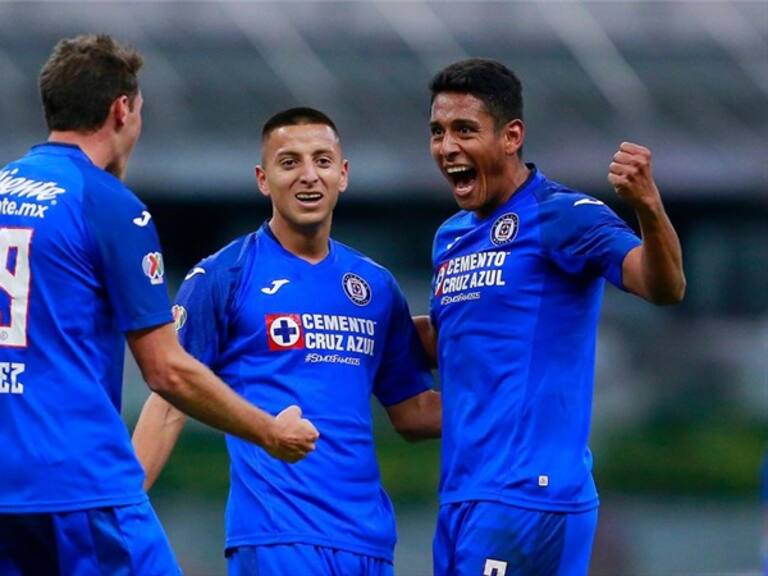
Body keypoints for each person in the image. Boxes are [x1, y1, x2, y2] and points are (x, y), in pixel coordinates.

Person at [0, 35, 318, 575]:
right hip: (79, 485)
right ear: (121, 109)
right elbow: (166, 370)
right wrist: (270, 432)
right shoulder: (106, 204)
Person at [132, 107, 441, 576]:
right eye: (289, 161)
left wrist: (510, 407)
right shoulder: (224, 276)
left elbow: (413, 412)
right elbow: (171, 397)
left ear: (343, 174)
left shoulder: (375, 287)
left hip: (370, 540)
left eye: (321, 160)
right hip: (278, 536)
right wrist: (124, 508)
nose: (308, 176)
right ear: (263, 178)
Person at [415, 58, 686, 575]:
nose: (447, 147)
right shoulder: (450, 236)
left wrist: (648, 207)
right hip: (464, 495)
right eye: (438, 131)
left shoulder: (560, 215)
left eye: (464, 130)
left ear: (511, 135)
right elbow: (454, 338)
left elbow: (663, 286)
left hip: (528, 496)